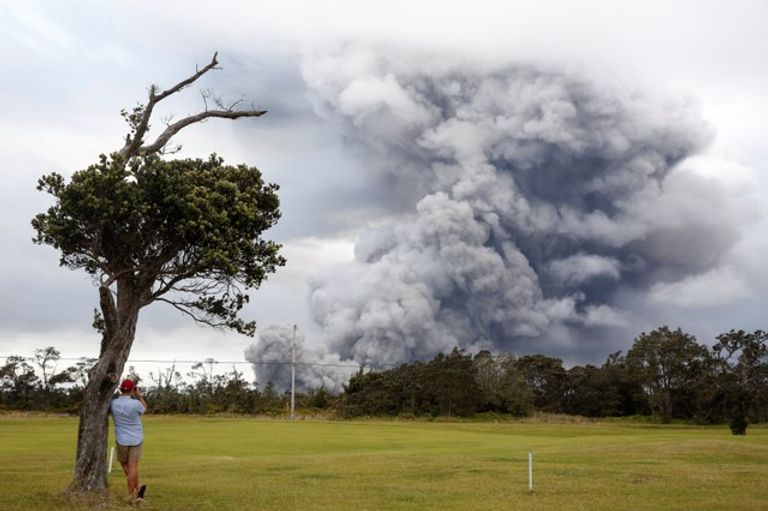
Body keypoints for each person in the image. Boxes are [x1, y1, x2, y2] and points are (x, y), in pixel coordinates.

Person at [110, 379, 148, 504]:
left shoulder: (113, 403)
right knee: (133, 466)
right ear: (133, 389)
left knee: (125, 465)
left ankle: (133, 493)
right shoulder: (136, 403)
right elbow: (144, 408)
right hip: (136, 438)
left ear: (121, 389)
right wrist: (139, 396)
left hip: (122, 439)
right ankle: (136, 489)